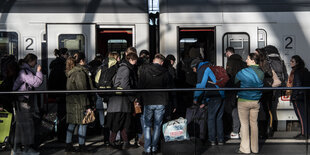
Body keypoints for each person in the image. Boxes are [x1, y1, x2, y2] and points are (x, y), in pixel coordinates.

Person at [138, 54, 172, 155]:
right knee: (157, 125)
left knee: (147, 125)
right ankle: (154, 147)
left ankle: (147, 149)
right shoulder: (166, 72)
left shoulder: (144, 70)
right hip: (161, 101)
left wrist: (139, 100)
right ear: (161, 62)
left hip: (148, 101)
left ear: (153, 60)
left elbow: (140, 86)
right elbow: (169, 87)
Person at [106, 52, 139, 150]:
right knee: (121, 122)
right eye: (135, 60)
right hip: (122, 101)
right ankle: (114, 142)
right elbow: (125, 85)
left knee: (121, 123)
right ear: (131, 60)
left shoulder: (122, 67)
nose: (136, 63)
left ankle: (124, 142)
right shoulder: (126, 69)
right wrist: (132, 98)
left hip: (118, 101)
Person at [12, 53, 43, 154]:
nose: (36, 63)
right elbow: (36, 83)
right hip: (23, 102)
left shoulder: (24, 70)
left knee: (21, 126)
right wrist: (39, 72)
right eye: (35, 61)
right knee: (27, 125)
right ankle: (26, 149)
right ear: (31, 61)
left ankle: (17, 149)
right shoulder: (24, 72)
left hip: (21, 101)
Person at [235, 53, 264, 154]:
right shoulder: (261, 72)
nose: (246, 60)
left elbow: (235, 82)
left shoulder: (243, 72)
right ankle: (255, 149)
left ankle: (245, 149)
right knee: (254, 124)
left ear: (252, 60)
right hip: (256, 101)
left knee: (244, 124)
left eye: (247, 59)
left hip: (243, 101)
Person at [191, 58, 225, 145]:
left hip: (214, 95)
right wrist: (204, 101)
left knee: (211, 118)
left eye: (193, 69)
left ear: (195, 67)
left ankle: (212, 139)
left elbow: (200, 85)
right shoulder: (211, 66)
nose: (194, 71)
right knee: (219, 118)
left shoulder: (203, 69)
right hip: (222, 94)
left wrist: (195, 98)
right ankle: (220, 139)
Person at [65, 52, 94, 152]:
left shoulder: (72, 71)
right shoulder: (80, 73)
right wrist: (87, 105)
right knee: (83, 123)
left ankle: (68, 144)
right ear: (81, 60)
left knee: (72, 123)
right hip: (80, 103)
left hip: (73, 102)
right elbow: (83, 90)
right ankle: (82, 145)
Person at [264, 45, 288, 135]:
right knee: (273, 108)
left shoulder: (267, 61)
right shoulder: (281, 61)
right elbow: (285, 75)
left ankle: (269, 129)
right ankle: (273, 126)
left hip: (269, 86)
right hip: (278, 87)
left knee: (268, 108)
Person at [224, 47, 247, 139]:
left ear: (228, 53)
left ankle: (235, 130)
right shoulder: (242, 62)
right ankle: (242, 130)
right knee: (242, 110)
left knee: (234, 110)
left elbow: (228, 75)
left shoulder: (230, 61)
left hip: (233, 89)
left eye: (226, 53)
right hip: (242, 88)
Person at [287, 55, 310, 139]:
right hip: (305, 96)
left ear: (297, 62)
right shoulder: (305, 70)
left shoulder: (296, 72)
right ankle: (307, 132)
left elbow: (297, 84)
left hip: (298, 97)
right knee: (306, 115)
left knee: (301, 116)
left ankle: (304, 134)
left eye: (292, 61)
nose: (290, 62)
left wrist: (294, 96)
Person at [48, 48, 68, 142]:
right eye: (67, 54)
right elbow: (63, 81)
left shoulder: (54, 65)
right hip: (62, 93)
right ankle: (62, 136)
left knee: (53, 114)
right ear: (63, 54)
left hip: (53, 93)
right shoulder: (63, 65)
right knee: (62, 116)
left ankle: (50, 133)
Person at [254, 48, 273, 139]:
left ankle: (266, 130)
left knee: (266, 110)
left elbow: (269, 75)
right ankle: (262, 131)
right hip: (261, 89)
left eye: (256, 53)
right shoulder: (258, 64)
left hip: (266, 90)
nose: (254, 55)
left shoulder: (265, 64)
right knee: (261, 110)